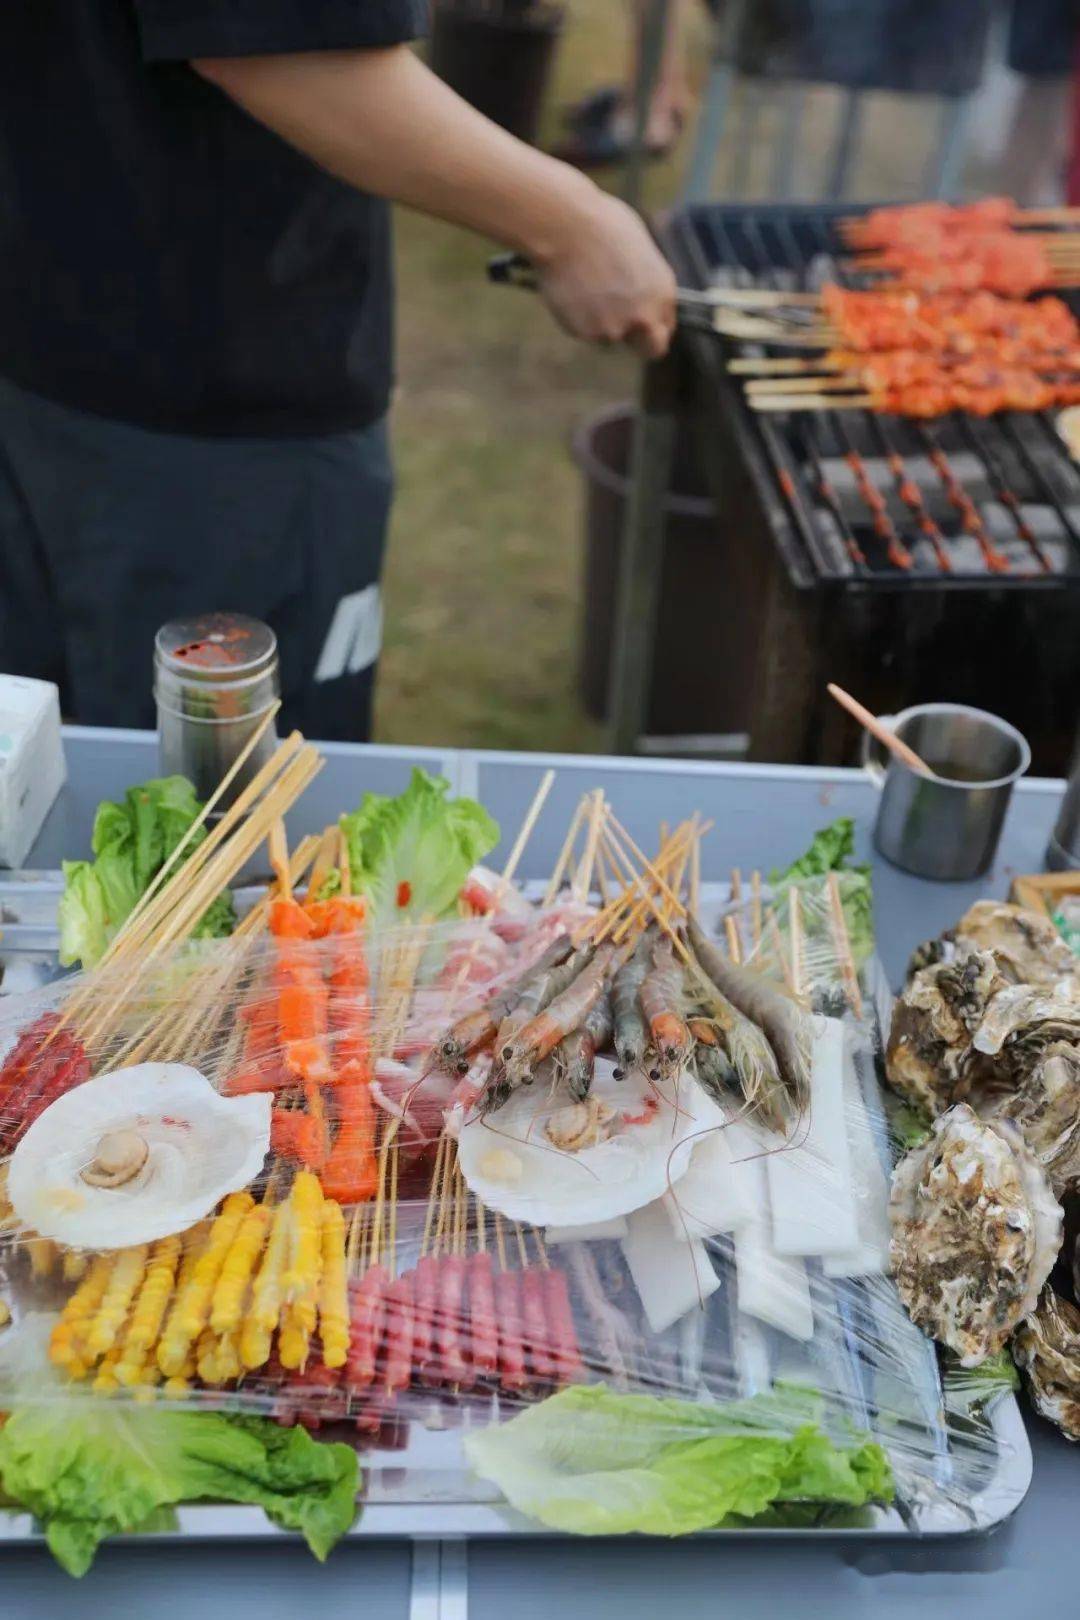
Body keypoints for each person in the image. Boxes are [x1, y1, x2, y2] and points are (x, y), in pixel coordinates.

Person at [0, 5, 676, 742]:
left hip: (54, 320)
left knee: (49, 768)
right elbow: (272, 43)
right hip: (211, 400)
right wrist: (572, 226)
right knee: (233, 825)